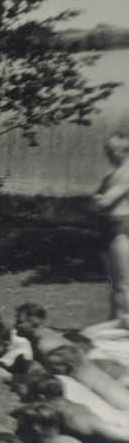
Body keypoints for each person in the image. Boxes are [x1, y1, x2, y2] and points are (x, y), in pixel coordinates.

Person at [91, 132, 129, 319]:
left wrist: (98, 200)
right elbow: (93, 202)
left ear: (124, 150)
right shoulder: (110, 175)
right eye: (106, 149)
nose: (106, 153)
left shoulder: (127, 173)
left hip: (122, 229)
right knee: (113, 283)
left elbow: (103, 202)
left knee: (123, 283)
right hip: (107, 228)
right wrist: (98, 200)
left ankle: (125, 326)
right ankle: (115, 320)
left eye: (110, 149)